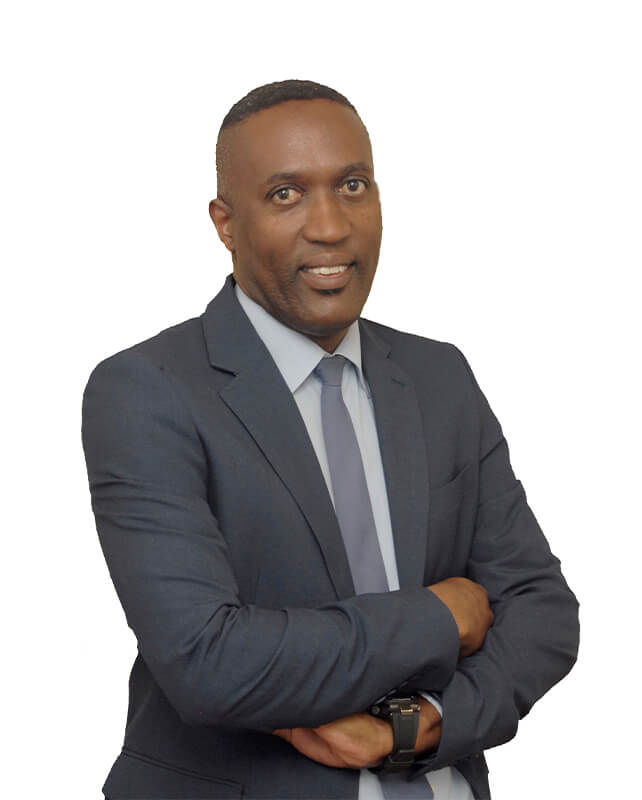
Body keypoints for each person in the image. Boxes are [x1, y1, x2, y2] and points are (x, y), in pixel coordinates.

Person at [81, 80, 579, 800]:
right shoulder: (147, 391)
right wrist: (442, 615)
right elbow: (206, 661)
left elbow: (541, 610)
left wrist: (417, 728)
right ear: (225, 223)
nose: (330, 226)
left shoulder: (439, 376)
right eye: (286, 194)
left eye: (352, 186)